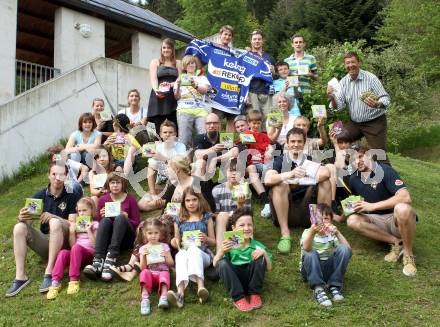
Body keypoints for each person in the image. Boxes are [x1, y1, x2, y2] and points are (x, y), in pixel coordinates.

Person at [5, 163, 81, 297]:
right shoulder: (39, 195)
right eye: (54, 174)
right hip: (46, 241)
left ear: (66, 176)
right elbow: (28, 221)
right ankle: (20, 277)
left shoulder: (72, 195)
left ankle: (49, 272)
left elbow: (73, 224)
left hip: (63, 242)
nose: (57, 178)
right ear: (48, 175)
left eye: (61, 175)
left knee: (54, 222)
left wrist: (53, 217)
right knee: (19, 227)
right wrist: (22, 217)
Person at [346, 145, 417, 276]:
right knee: (352, 220)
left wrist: (372, 206)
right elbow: (360, 200)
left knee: (402, 208)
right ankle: (396, 243)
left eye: (360, 157)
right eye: (352, 160)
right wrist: (354, 207)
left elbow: (405, 197)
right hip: (376, 221)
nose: (357, 162)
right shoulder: (353, 179)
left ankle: (408, 254)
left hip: (396, 220)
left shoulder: (385, 170)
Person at [265, 128, 332, 254]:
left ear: (304, 143)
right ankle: (285, 234)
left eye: (299, 141)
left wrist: (302, 179)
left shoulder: (309, 159)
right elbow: (268, 179)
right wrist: (291, 175)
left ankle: (321, 227)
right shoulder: (280, 160)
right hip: (285, 210)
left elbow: (326, 172)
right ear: (287, 143)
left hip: (307, 210)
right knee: (279, 185)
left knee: (326, 183)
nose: (296, 144)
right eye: (293, 141)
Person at [327, 52, 391, 153]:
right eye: (347, 63)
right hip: (355, 124)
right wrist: (332, 97)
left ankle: (381, 165)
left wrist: (377, 104)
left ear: (359, 63)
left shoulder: (371, 78)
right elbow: (338, 107)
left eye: (353, 62)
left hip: (374, 123)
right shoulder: (343, 82)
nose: (350, 65)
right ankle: (351, 163)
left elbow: (386, 99)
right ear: (345, 65)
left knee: (379, 155)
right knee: (337, 138)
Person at [83, 172, 140, 281]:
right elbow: (100, 225)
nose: (115, 185)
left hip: (126, 238)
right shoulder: (103, 199)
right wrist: (101, 216)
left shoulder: (130, 199)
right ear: (108, 185)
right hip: (109, 238)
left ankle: (110, 260)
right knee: (105, 221)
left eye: (118, 183)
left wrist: (126, 216)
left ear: (123, 184)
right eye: (112, 183)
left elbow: (137, 223)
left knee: (120, 218)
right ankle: (98, 261)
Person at [214, 207, 272, 312]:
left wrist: (264, 254)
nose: (246, 228)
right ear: (233, 228)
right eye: (241, 225)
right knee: (222, 263)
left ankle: (254, 294)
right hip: (235, 279)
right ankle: (238, 298)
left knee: (261, 256)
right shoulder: (229, 244)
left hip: (251, 279)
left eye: (249, 225)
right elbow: (215, 264)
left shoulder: (257, 245)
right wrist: (221, 252)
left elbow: (269, 268)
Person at [167, 187, 216, 308]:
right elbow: (176, 241)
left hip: (203, 254)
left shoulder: (206, 217)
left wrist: (206, 238)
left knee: (194, 249)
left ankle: (201, 287)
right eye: (188, 200)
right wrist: (174, 241)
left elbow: (214, 242)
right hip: (185, 254)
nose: (191, 203)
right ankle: (180, 293)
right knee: (180, 254)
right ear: (183, 202)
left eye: (194, 199)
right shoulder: (179, 219)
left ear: (200, 200)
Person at [46, 197, 99, 300]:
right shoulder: (78, 225)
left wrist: (89, 230)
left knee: (77, 248)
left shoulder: (95, 224)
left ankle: (74, 279)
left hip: (89, 255)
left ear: (91, 210)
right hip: (76, 254)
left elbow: (96, 245)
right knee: (63, 253)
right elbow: (73, 245)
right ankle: (55, 282)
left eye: (84, 210)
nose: (82, 213)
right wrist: (71, 232)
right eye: (79, 211)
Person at [300, 203, 351, 307]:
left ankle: (334, 285)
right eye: (319, 218)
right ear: (312, 220)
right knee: (310, 253)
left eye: (326, 218)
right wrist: (312, 232)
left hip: (327, 269)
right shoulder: (307, 232)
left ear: (331, 221)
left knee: (344, 249)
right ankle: (318, 288)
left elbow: (348, 250)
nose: (322, 222)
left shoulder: (331, 234)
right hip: (310, 270)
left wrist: (337, 233)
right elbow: (306, 248)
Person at [138, 155, 216, 213]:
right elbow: (166, 209)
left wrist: (179, 210)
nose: (166, 171)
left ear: (177, 170)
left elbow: (211, 207)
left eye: (168, 168)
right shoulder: (173, 188)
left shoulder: (200, 183)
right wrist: (157, 202)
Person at [212, 158, 251, 250]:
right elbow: (215, 214)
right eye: (231, 171)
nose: (234, 174)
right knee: (222, 215)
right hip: (221, 224)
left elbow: (247, 215)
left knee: (245, 220)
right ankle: (220, 250)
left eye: (237, 171)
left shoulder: (246, 190)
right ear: (225, 172)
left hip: (239, 223)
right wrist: (227, 215)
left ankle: (246, 249)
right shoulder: (217, 190)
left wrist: (240, 205)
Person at [241, 110, 274, 218]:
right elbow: (243, 148)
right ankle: (265, 199)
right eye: (253, 123)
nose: (256, 125)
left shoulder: (264, 136)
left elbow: (270, 146)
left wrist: (269, 150)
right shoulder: (246, 135)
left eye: (258, 123)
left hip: (265, 163)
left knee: (270, 169)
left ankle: (273, 197)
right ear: (249, 123)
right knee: (252, 168)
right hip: (252, 164)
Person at [139, 218, 174, 315]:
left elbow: (171, 264)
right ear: (145, 234)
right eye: (150, 233)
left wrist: (166, 256)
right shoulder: (143, 248)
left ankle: (163, 297)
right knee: (144, 273)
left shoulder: (164, 246)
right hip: (150, 274)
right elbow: (142, 268)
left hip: (161, 275)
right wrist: (143, 256)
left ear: (160, 234)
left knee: (165, 273)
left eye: (156, 233)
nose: (153, 236)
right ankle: (145, 299)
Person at [174, 55, 210, 149]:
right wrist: (177, 86)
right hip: (184, 109)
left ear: (195, 65)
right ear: (184, 67)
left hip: (200, 110)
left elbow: (205, 90)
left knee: (204, 136)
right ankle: (184, 162)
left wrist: (195, 85)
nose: (191, 65)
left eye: (192, 63)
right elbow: (177, 97)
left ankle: (202, 159)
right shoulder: (179, 79)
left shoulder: (202, 78)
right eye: (188, 63)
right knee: (184, 139)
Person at [144, 119, 186, 195]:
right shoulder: (158, 146)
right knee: (142, 204)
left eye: (170, 132)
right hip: (162, 183)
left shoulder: (181, 146)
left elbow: (180, 166)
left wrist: (162, 158)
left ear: (175, 134)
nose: (167, 134)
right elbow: (145, 152)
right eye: (165, 132)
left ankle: (167, 201)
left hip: (177, 182)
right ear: (160, 134)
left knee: (176, 200)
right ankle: (153, 193)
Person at [148, 38, 181, 133]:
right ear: (161, 49)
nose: (166, 50)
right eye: (164, 48)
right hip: (159, 98)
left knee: (175, 129)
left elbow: (180, 79)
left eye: (169, 48)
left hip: (173, 97)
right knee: (161, 129)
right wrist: (156, 90)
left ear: (172, 49)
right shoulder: (155, 62)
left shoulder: (178, 63)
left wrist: (171, 84)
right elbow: (153, 78)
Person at [247, 30, 276, 119]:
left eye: (259, 39)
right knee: (254, 120)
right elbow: (242, 75)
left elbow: (275, 76)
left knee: (269, 120)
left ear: (262, 41)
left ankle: (269, 134)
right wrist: (246, 95)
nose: (257, 41)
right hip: (252, 92)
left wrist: (273, 70)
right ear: (251, 41)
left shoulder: (269, 57)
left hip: (268, 93)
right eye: (254, 39)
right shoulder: (246, 56)